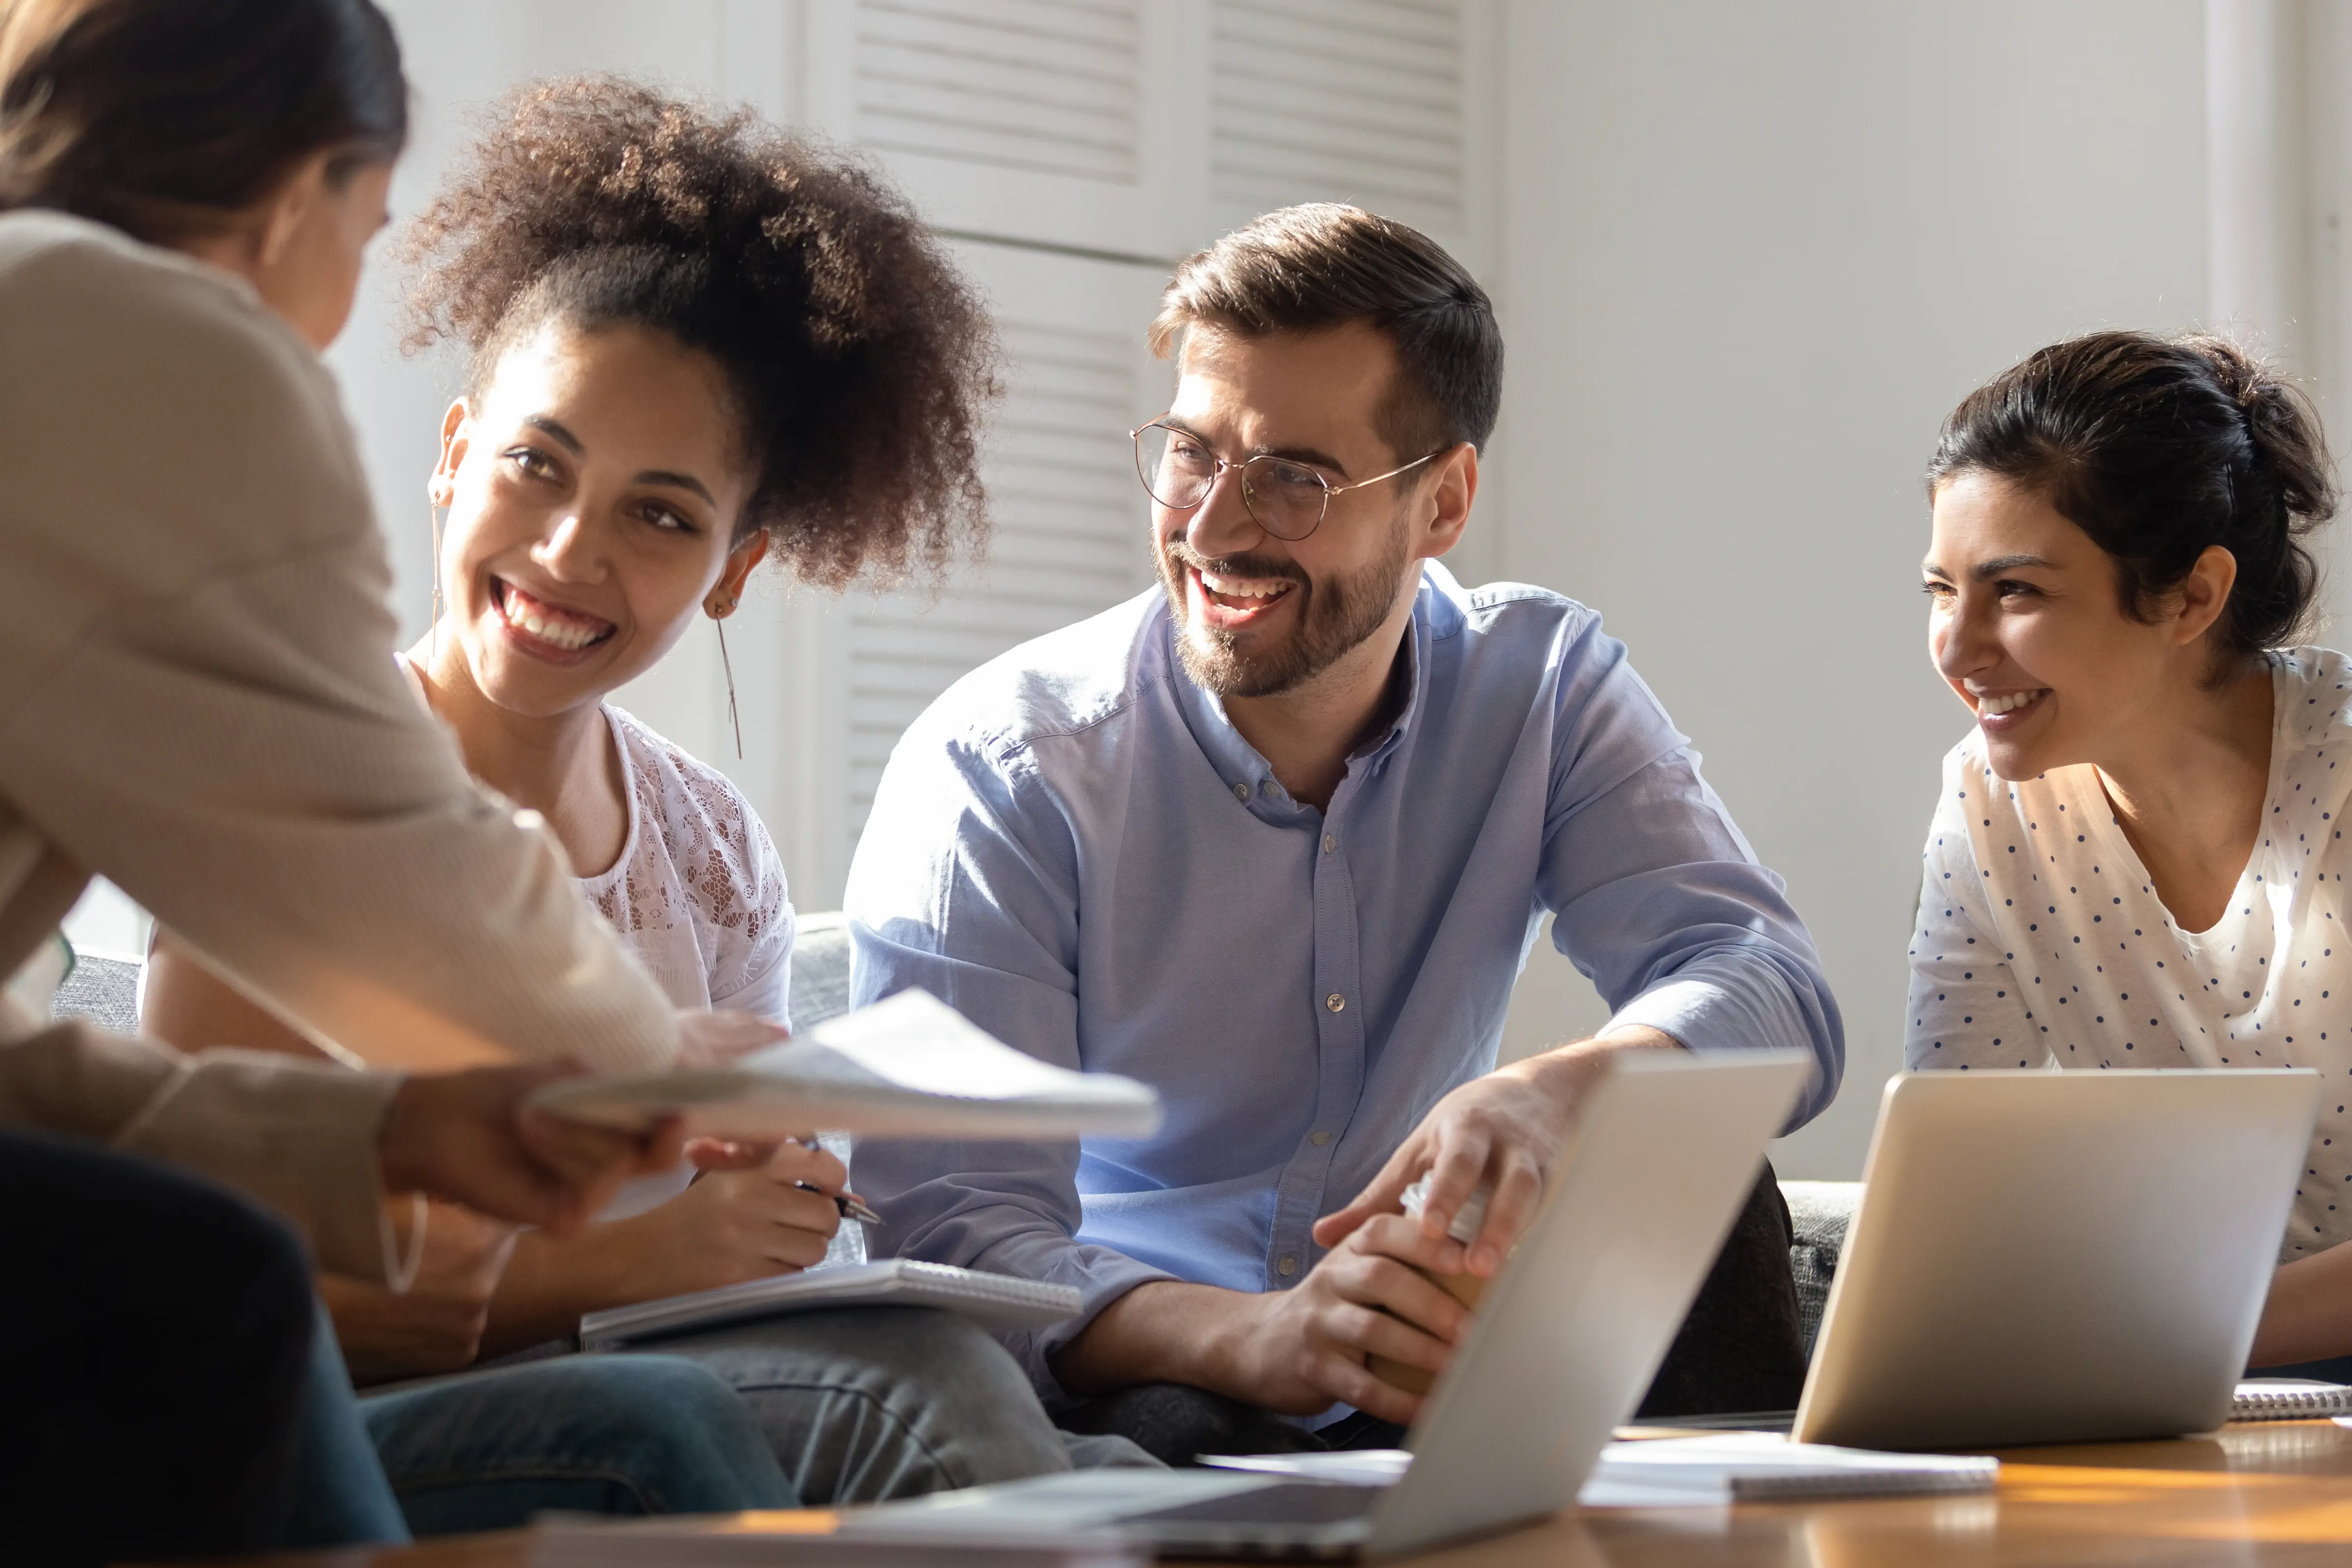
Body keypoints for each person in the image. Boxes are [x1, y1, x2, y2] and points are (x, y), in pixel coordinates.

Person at [138, 76, 1132, 1500]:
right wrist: (628, 1255)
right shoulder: (291, 784)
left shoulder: (709, 846)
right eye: (536, 466)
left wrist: (781, 1199)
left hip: (671, 1387)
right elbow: (207, 1302)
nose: (564, 550)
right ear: (452, 452)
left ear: (736, 564)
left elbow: (736, 1216)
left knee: (1112, 1451)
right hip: (338, 1439)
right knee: (923, 1396)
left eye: (659, 514)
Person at [0, 0, 819, 1552]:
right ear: (302, 192)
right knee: (207, 1286)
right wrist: (643, 1057)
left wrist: (367, 1142)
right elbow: (370, 849)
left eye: (660, 513)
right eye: (366, 235)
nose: (324, 317)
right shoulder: (147, 336)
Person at [847, 204, 1844, 1461]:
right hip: (1159, 1350)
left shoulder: (1540, 685)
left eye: (1293, 477)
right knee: (1170, 1426)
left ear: (1443, 504)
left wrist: (1561, 1091)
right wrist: (1264, 1335)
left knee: (1710, 1192)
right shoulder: (1002, 765)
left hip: (1438, 1325)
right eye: (1193, 452)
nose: (1212, 525)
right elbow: (954, 1241)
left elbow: (1776, 990)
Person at [1903, 328, 2352, 1375]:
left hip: (2200, 1363)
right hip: (2192, 1385)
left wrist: (2151, 1338)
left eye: (2015, 592)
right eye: (1940, 589)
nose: (1959, 650)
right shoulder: (1986, 806)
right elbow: (1958, 1193)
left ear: (2193, 596)